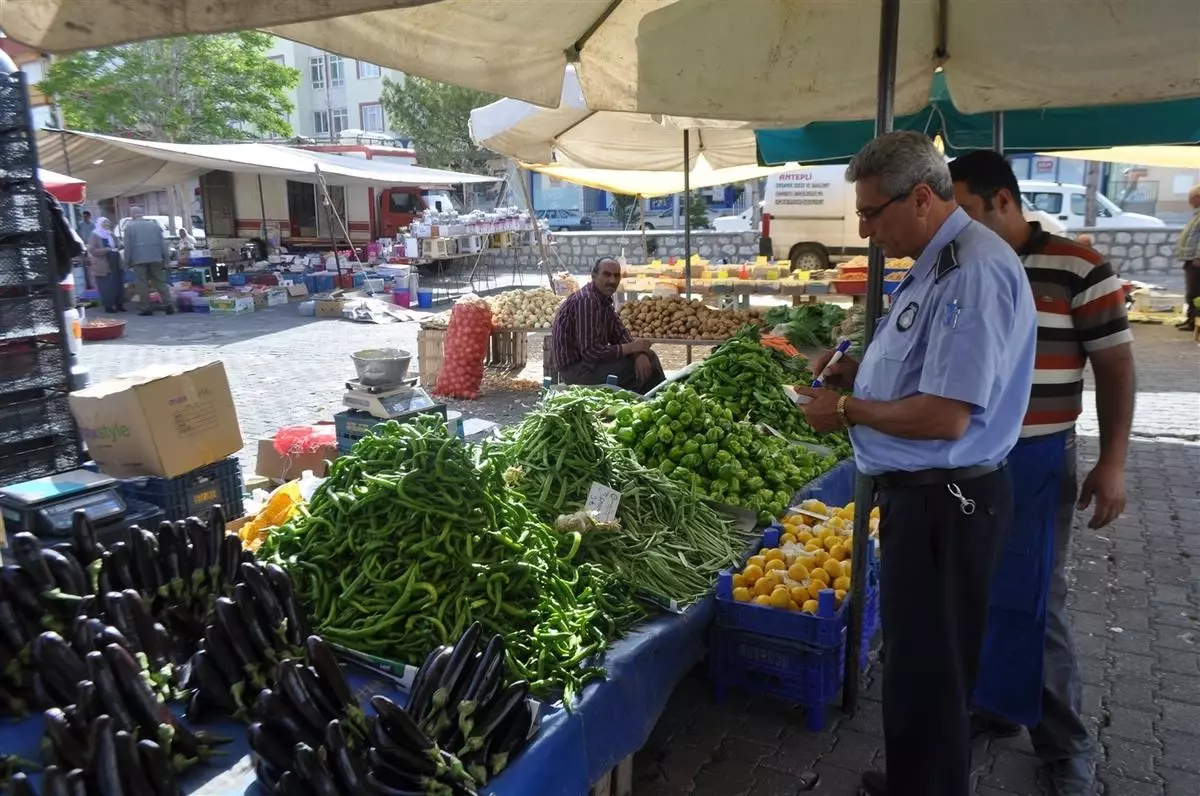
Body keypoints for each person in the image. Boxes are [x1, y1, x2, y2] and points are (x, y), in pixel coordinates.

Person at [793, 132, 1037, 796]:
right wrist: (855, 375)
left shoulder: (972, 271)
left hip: (946, 504)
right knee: (913, 664)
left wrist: (846, 411)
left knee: (934, 671)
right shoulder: (933, 262)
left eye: (873, 214)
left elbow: (946, 414)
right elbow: (919, 370)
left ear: (921, 197)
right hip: (922, 499)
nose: (864, 229)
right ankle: (912, 782)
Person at [949, 150, 1134, 796]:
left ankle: (1065, 743)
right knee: (979, 591)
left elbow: (1114, 368)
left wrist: (1112, 463)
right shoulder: (958, 261)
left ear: (1004, 201)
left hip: (1036, 456)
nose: (958, 225)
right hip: (967, 459)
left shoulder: (1076, 266)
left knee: (1035, 600)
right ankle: (995, 706)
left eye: (967, 211)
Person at [550, 257, 665, 393]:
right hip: (577, 370)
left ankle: (648, 401)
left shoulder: (603, 300)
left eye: (616, 276)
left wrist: (638, 353)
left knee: (646, 358)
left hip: (591, 365)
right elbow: (591, 351)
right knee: (648, 363)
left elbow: (620, 333)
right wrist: (633, 348)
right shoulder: (587, 300)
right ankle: (654, 403)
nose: (612, 281)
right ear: (594, 276)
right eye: (607, 274)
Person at [122, 207, 174, 316]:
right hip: (156, 258)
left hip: (138, 260)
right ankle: (169, 305)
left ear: (132, 215)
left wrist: (126, 262)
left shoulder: (129, 228)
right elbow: (163, 244)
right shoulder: (154, 226)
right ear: (142, 214)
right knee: (160, 282)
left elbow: (128, 247)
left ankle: (146, 308)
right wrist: (166, 259)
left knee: (142, 284)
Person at [1174, 184, 1200, 331]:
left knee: (1195, 292)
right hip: (1190, 259)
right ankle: (1190, 319)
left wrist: (1198, 257)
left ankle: (1193, 321)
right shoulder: (1196, 214)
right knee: (1191, 291)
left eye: (1192, 198)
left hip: (1196, 261)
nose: (1189, 201)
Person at [86, 217, 126, 313]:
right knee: (106, 285)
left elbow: (118, 244)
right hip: (102, 264)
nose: (106, 225)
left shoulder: (111, 234)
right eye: (104, 223)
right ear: (99, 224)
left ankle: (119, 304)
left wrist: (119, 246)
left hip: (115, 261)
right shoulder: (95, 235)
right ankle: (108, 305)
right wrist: (106, 250)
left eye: (108, 223)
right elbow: (91, 250)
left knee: (118, 283)